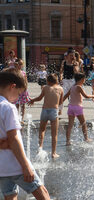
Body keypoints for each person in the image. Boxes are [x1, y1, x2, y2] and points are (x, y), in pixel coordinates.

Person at [0, 68, 51, 200]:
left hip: (1, 168)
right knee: (42, 193)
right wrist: (25, 166)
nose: (18, 98)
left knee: (10, 196)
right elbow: (13, 139)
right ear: (13, 87)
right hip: (15, 164)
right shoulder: (8, 107)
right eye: (19, 94)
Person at [28, 74, 64, 158]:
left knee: (42, 130)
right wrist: (60, 110)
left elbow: (40, 98)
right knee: (54, 133)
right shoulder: (60, 88)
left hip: (44, 110)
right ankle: (53, 153)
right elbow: (61, 102)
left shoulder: (45, 87)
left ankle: (40, 148)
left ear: (48, 81)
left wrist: (32, 100)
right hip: (54, 111)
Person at [63, 73, 94, 145]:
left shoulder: (72, 87)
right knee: (83, 123)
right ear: (81, 79)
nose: (84, 80)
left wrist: (58, 104)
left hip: (70, 107)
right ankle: (86, 138)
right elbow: (85, 96)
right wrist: (93, 96)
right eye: (84, 79)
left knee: (70, 125)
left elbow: (65, 96)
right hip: (78, 107)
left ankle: (68, 141)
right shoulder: (79, 87)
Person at [14, 58, 30, 123]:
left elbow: (26, 81)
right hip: (17, 91)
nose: (21, 65)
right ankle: (17, 118)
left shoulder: (23, 72)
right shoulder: (14, 72)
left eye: (22, 64)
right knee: (16, 105)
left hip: (23, 91)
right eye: (19, 64)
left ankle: (22, 119)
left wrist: (26, 87)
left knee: (23, 105)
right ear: (16, 64)